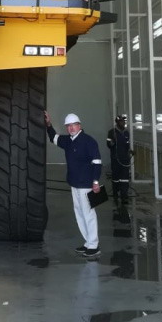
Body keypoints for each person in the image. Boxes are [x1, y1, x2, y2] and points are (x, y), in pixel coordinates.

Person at [44, 110, 103, 257]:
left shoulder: (89, 141)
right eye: (68, 126)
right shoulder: (68, 141)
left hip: (86, 185)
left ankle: (94, 245)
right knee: (80, 214)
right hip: (74, 184)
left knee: (88, 214)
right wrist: (49, 124)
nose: (70, 128)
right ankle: (88, 243)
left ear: (79, 125)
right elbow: (53, 138)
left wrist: (95, 181)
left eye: (73, 125)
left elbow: (97, 162)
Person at [106, 114, 131, 205]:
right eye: (121, 121)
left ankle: (124, 196)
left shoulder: (126, 133)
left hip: (125, 160)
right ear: (117, 122)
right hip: (115, 159)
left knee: (125, 178)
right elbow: (108, 145)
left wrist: (130, 152)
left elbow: (127, 145)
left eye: (124, 121)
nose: (123, 123)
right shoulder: (111, 132)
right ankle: (115, 193)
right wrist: (113, 142)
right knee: (116, 178)